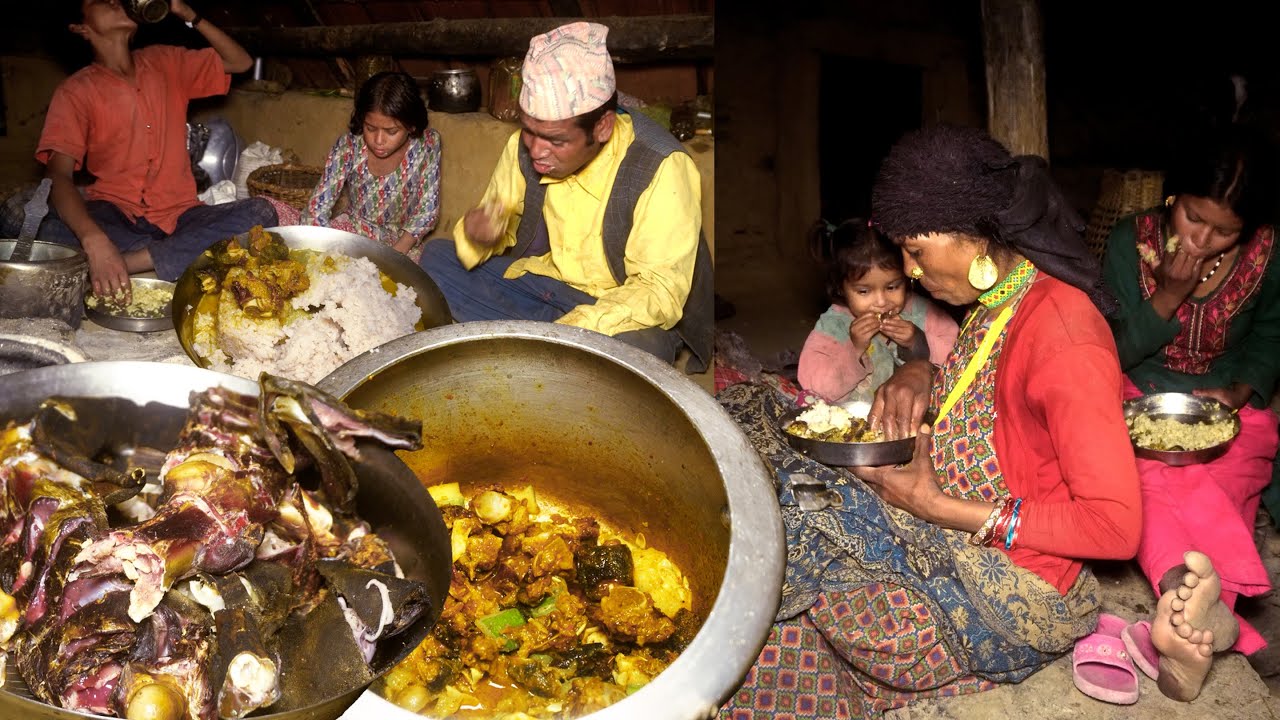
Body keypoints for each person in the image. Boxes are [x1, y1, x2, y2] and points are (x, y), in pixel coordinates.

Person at [717, 125, 1141, 718]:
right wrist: (920, 370)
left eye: (916, 253)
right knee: (758, 443)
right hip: (953, 519)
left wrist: (935, 507)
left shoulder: (1065, 335)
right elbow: (996, 404)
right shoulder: (1001, 300)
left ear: (975, 236)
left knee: (786, 536)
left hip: (1011, 589)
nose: (911, 273)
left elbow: (1115, 527)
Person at [417, 21, 712, 372]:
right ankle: (543, 348)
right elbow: (497, 225)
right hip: (547, 287)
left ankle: (530, 343)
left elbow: (658, 292)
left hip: (622, 309)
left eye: (556, 141)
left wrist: (572, 330)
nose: (537, 150)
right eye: (529, 131)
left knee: (640, 351)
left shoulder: (662, 165)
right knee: (436, 259)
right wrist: (480, 236)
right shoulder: (522, 148)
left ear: (602, 127)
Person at [1101, 124, 1280, 701]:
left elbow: (1271, 336)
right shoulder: (1131, 241)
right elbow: (1113, 349)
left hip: (1225, 398)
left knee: (1231, 473)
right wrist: (1166, 299)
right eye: (1194, 219)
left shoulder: (1268, 253)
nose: (1204, 240)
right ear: (1173, 198)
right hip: (1140, 391)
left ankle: (1185, 612)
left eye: (1226, 232)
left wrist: (1242, 391)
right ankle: (1198, 601)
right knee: (1146, 478)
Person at [34, 0, 277, 301]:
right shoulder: (75, 92)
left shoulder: (166, 61)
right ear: (80, 27)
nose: (114, 1)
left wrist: (189, 14)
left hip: (180, 216)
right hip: (114, 215)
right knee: (46, 226)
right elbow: (58, 176)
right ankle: (169, 260)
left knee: (261, 212)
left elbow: (239, 62)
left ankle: (129, 264)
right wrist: (95, 240)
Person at [268, 70, 442, 262]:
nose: (378, 140)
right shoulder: (350, 146)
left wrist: (395, 256)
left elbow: (427, 211)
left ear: (411, 126)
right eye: (370, 128)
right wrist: (318, 252)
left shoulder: (427, 145)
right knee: (274, 218)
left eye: (391, 131)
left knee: (425, 273)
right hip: (355, 231)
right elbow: (319, 205)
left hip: (402, 241)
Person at [797, 217, 958, 405]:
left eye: (892, 287)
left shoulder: (924, 312)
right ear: (840, 287)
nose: (881, 302)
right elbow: (815, 387)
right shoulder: (833, 325)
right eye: (864, 291)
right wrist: (854, 348)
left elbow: (960, 360)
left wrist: (918, 341)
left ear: (906, 277)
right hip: (853, 424)